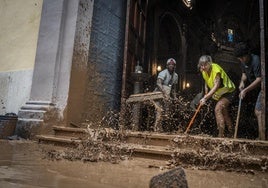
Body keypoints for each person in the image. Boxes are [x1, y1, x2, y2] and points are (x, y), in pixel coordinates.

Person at [198, 55, 236, 137]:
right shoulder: (203, 70)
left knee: (218, 109)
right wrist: (206, 92)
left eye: (205, 65)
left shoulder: (216, 70)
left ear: (210, 63)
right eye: (201, 65)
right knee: (224, 113)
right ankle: (231, 134)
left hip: (228, 91)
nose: (203, 67)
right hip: (220, 93)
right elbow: (206, 81)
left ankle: (220, 136)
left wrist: (205, 98)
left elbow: (216, 86)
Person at [234, 42, 265, 140]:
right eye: (239, 58)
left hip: (264, 86)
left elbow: (259, 79)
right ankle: (261, 137)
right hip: (259, 88)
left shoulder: (256, 60)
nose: (241, 60)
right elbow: (244, 73)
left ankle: (262, 138)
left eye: (242, 58)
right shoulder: (243, 61)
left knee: (259, 111)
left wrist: (245, 90)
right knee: (259, 111)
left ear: (247, 54)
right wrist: (242, 82)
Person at [153, 58, 178, 132]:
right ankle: (156, 128)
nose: (171, 66)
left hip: (167, 95)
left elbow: (173, 88)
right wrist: (164, 93)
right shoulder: (163, 73)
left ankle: (162, 128)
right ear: (167, 66)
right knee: (159, 111)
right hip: (159, 94)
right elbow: (158, 83)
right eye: (169, 64)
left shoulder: (176, 76)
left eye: (172, 65)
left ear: (175, 66)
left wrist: (175, 97)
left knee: (166, 112)